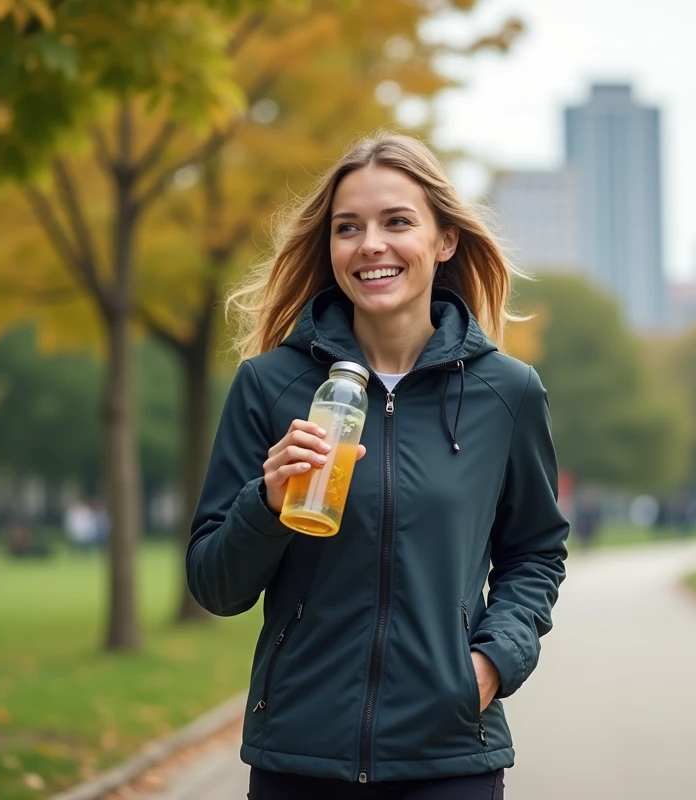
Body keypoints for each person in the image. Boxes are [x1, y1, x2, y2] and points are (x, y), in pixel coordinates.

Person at [187, 133, 569, 800]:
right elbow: (217, 586)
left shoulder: (506, 393)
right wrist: (266, 502)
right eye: (347, 228)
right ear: (329, 246)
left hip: (450, 758)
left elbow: (535, 552)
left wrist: (491, 663)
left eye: (397, 221)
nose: (370, 244)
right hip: (299, 761)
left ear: (444, 239)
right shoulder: (268, 387)